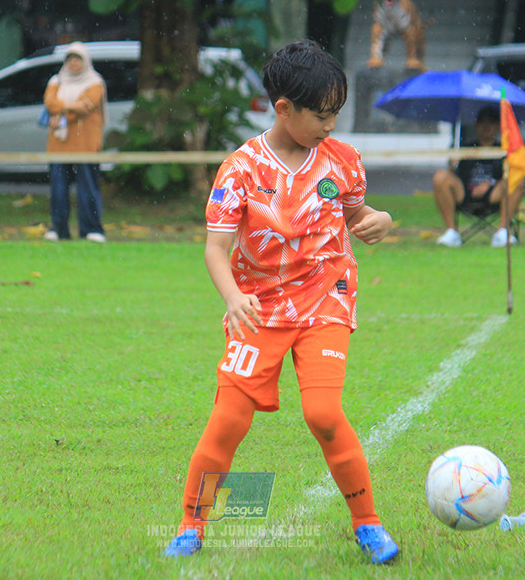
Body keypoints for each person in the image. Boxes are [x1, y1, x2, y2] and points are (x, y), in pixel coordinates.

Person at [163, 40, 399, 564]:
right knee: (228, 421)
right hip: (259, 307)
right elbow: (216, 249)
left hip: (325, 296)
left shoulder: (342, 161)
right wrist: (234, 298)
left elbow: (359, 216)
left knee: (324, 413)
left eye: (336, 114)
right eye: (322, 115)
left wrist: (381, 220)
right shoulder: (241, 169)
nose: (331, 126)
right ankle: (190, 526)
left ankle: (368, 525)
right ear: (284, 108)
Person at [42, 41, 107, 242]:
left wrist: (61, 111)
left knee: (88, 188)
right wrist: (72, 107)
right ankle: (58, 229)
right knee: (58, 189)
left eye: (78, 59)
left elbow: (87, 106)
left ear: (85, 61)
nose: (74, 63)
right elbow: (49, 103)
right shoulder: (56, 80)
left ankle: (91, 229)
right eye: (70, 59)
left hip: (86, 144)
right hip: (59, 144)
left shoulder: (95, 82)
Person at [432, 105, 523, 247]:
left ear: (497, 126)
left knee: (517, 180)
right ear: (476, 126)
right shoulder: (465, 148)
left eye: (491, 123)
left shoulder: (503, 150)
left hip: (494, 193)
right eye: (483, 123)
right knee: (440, 177)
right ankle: (451, 231)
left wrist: (490, 184)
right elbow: (455, 175)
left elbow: (509, 174)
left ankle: (502, 231)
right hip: (466, 191)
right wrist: (452, 164)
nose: (486, 127)